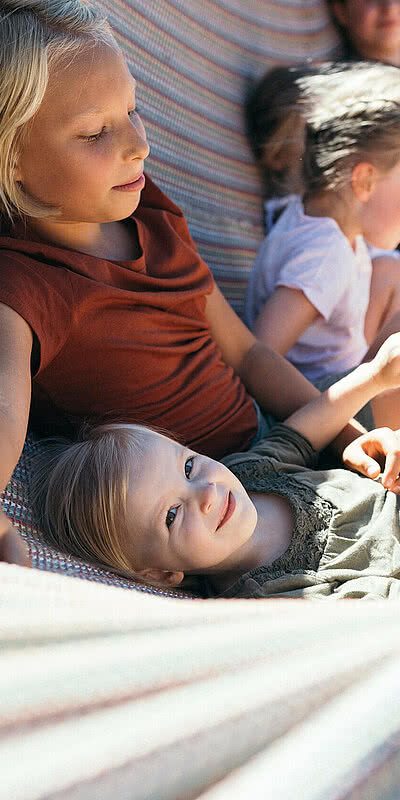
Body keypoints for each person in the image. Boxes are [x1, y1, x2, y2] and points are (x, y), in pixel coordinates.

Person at [0, 0, 382, 558]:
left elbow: (247, 354)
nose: (139, 145)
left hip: (282, 442)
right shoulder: (24, 287)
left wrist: (346, 438)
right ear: (10, 159)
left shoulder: (148, 209)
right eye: (93, 134)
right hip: (214, 514)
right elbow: (6, 416)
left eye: (133, 109)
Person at [30, 332, 400, 600]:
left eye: (189, 467)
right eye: (172, 515)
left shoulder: (250, 473)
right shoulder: (272, 597)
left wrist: (375, 376)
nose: (206, 493)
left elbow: (301, 432)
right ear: (161, 574)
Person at [244, 61, 400, 431]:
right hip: (321, 408)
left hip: (339, 378)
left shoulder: (323, 222)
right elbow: (258, 353)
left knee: (393, 272)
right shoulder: (324, 258)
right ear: (363, 181)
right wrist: (342, 433)